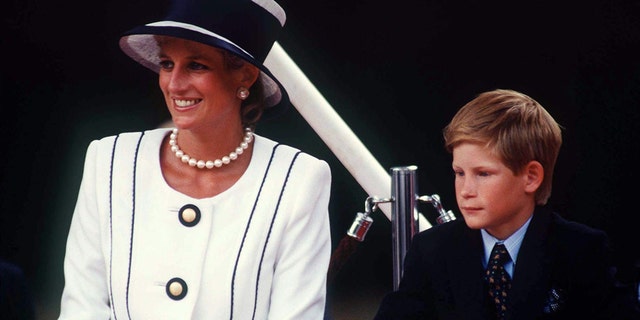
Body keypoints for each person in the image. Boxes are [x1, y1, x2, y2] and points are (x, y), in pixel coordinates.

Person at [58, 0, 332, 319]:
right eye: (166, 64)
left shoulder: (299, 179)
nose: (174, 84)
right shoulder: (109, 161)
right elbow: (82, 306)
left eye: (196, 65)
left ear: (245, 75)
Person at [374, 89, 640, 319]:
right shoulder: (432, 251)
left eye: (483, 174)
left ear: (531, 177)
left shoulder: (580, 252)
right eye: (459, 173)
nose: (466, 190)